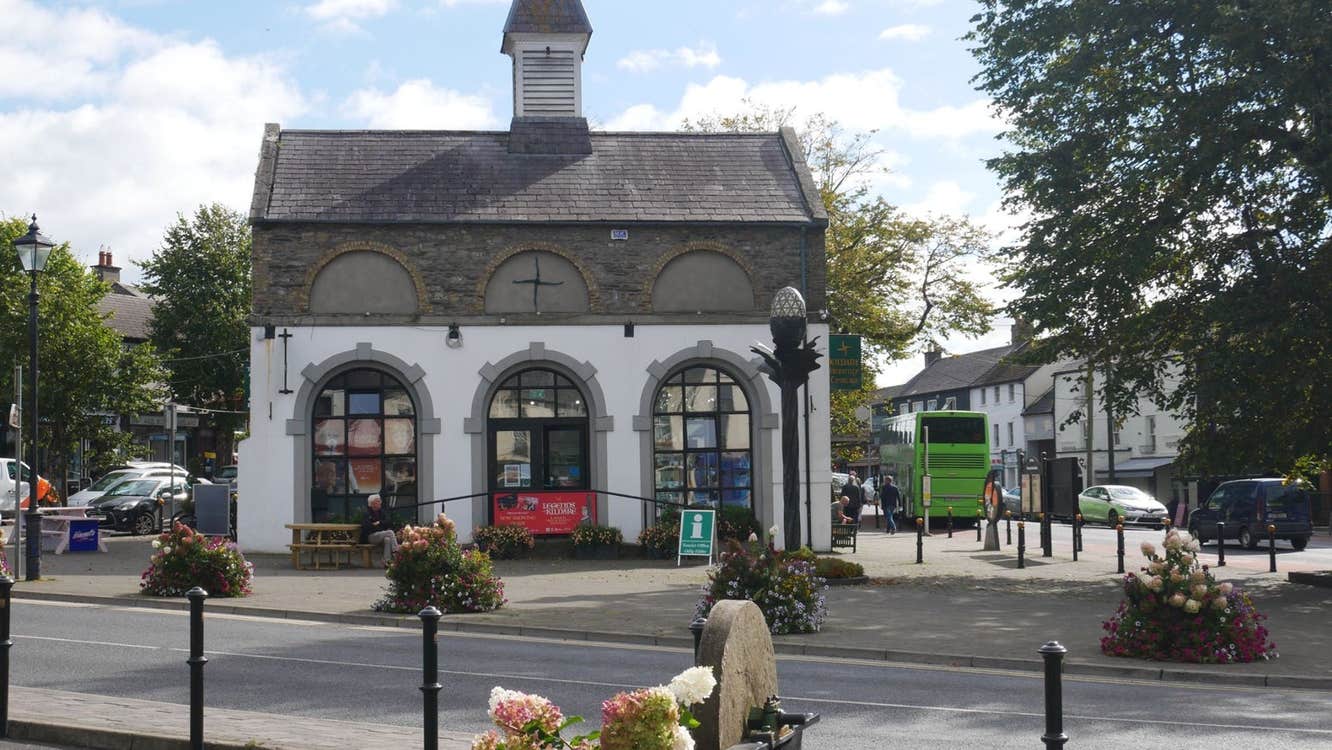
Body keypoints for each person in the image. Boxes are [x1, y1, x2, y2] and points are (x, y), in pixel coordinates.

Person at [360, 494, 400, 567]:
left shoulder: (382, 512)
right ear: (372, 503)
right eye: (378, 501)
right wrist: (379, 525)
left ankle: (386, 561)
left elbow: (389, 522)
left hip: (381, 535)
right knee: (390, 532)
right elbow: (367, 527)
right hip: (370, 537)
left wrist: (379, 523)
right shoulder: (367, 513)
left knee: (387, 539)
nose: (380, 502)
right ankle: (396, 551)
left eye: (380, 501)